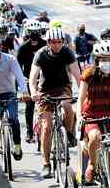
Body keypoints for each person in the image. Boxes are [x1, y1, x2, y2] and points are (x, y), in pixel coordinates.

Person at [29, 27, 81, 178]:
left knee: (67, 107)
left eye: (59, 42)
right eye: (53, 42)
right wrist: (33, 93)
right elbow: (33, 77)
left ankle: (69, 133)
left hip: (63, 87)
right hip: (44, 91)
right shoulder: (40, 54)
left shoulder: (67, 52)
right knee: (46, 127)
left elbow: (78, 75)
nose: (57, 45)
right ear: (48, 42)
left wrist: (84, 94)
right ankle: (46, 163)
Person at [77, 40, 110, 182]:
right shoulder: (88, 74)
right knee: (95, 137)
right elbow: (81, 98)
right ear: (97, 60)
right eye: (104, 59)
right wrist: (79, 117)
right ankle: (92, 163)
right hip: (92, 115)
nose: (107, 62)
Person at [17, 20, 46, 143]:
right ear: (28, 33)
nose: (34, 35)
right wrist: (21, 80)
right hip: (29, 79)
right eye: (32, 33)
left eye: (36, 33)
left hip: (45, 78)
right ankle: (29, 132)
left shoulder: (45, 44)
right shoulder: (23, 48)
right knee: (30, 105)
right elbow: (18, 67)